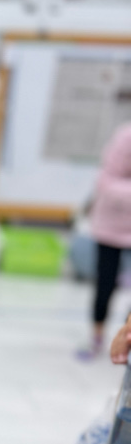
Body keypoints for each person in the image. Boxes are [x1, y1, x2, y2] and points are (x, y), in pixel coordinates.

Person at [79, 124, 131, 359]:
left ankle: (126, 339)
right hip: (111, 224)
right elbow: (106, 181)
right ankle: (97, 336)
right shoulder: (125, 135)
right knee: (105, 283)